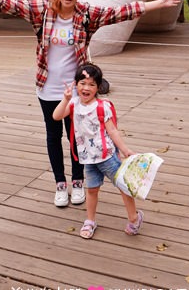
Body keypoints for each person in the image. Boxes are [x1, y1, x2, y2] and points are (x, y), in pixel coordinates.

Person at [0, 0, 180, 208]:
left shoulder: (87, 14)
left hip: (77, 91)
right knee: (53, 136)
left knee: (76, 137)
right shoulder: (42, 9)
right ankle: (60, 184)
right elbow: (9, 3)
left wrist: (158, 3)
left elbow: (120, 12)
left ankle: (78, 181)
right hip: (47, 87)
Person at [53, 63, 142, 239]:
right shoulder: (73, 104)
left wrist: (125, 150)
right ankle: (90, 220)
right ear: (76, 84)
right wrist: (65, 98)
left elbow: (113, 131)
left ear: (98, 87)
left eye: (92, 84)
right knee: (92, 190)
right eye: (82, 83)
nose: (86, 88)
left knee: (123, 186)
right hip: (88, 158)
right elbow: (56, 116)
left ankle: (134, 217)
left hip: (106, 156)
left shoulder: (103, 107)